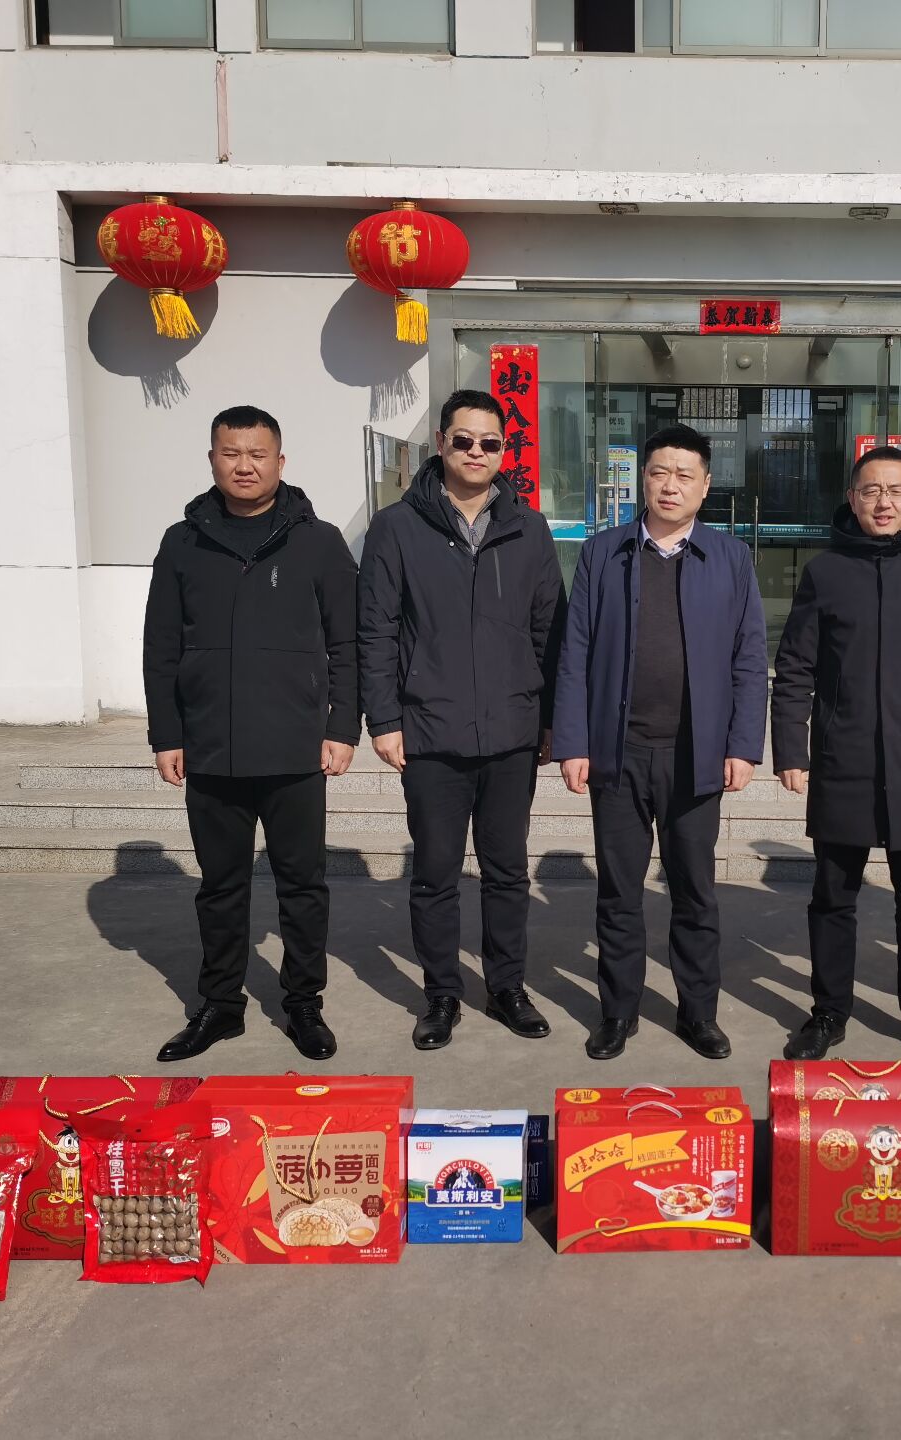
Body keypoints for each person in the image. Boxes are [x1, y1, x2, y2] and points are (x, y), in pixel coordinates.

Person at [143, 404, 358, 1064]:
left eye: (257, 454)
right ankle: (219, 1005)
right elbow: (160, 647)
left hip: (295, 746)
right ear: (213, 459)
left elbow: (347, 643)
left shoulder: (317, 541)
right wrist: (167, 733)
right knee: (220, 886)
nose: (244, 466)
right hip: (211, 747)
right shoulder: (184, 542)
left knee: (302, 885)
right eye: (231, 453)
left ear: (280, 462)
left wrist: (342, 726)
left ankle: (303, 1003)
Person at [359, 389, 565, 1051]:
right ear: (441, 443)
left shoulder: (528, 528)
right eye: (464, 440)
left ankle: (507, 987)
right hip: (430, 730)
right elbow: (376, 630)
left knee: (507, 871)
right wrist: (383, 719)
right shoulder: (397, 528)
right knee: (436, 873)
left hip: (510, 731)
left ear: (504, 451)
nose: (477, 452)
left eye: (490, 443)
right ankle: (441, 994)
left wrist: (550, 719)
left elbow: (549, 631)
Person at [555, 424, 768, 1061]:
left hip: (694, 755)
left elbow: (749, 656)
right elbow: (575, 650)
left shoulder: (730, 557)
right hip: (619, 752)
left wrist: (742, 744)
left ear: (705, 486)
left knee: (694, 891)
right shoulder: (604, 552)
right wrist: (573, 740)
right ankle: (617, 1012)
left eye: (684, 475)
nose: (670, 486)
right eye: (659, 472)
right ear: (642, 479)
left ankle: (698, 1013)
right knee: (619, 892)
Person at [772, 446, 901, 1063]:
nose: (883, 502)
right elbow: (796, 666)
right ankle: (828, 1012)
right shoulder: (826, 571)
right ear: (852, 498)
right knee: (832, 898)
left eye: (896, 491)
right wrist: (791, 748)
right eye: (871, 491)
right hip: (845, 760)